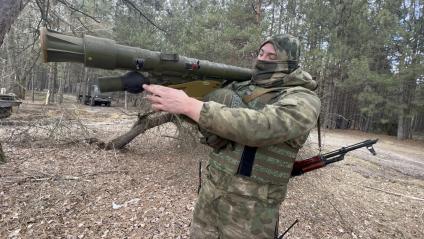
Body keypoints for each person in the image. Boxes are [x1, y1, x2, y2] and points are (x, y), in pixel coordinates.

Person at [143, 34, 321, 239]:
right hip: (212, 194)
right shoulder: (243, 86)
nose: (262, 59)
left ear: (290, 61)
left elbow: (264, 126)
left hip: (252, 210)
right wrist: (182, 105)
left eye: (272, 56)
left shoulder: (304, 99)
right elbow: (212, 121)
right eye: (261, 53)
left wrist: (191, 106)